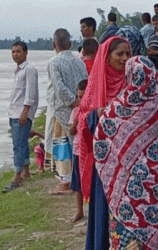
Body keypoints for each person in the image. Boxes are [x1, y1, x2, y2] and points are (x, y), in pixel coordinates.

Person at [93, 56, 158, 250]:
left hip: (124, 196)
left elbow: (101, 143)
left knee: (124, 243)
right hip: (154, 202)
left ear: (129, 77)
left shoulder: (117, 110)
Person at [78, 36, 132, 250]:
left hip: (128, 163)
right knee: (103, 213)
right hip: (103, 164)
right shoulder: (95, 85)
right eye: (119, 54)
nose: (125, 58)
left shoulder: (132, 81)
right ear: (106, 57)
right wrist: (96, 114)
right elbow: (82, 118)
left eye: (128, 54)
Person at [47, 28, 88, 194]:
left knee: (63, 144)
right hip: (79, 105)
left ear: (54, 45)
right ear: (70, 44)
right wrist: (79, 101)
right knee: (75, 143)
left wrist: (72, 102)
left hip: (63, 108)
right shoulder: (80, 61)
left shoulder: (54, 62)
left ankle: (67, 182)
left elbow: (59, 87)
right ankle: (74, 180)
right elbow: (86, 81)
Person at [3, 41, 39, 193]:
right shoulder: (18, 71)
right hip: (14, 112)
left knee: (18, 145)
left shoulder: (29, 69)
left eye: (18, 51)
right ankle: (26, 171)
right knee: (20, 143)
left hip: (21, 113)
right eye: (13, 52)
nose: (15, 54)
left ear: (25, 53)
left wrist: (25, 112)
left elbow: (30, 94)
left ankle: (16, 176)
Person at [69, 79, 88, 222]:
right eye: (79, 97)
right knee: (78, 184)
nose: (81, 100)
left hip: (88, 152)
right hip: (77, 151)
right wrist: (76, 120)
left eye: (84, 97)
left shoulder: (93, 111)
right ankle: (79, 210)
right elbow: (71, 131)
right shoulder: (75, 111)